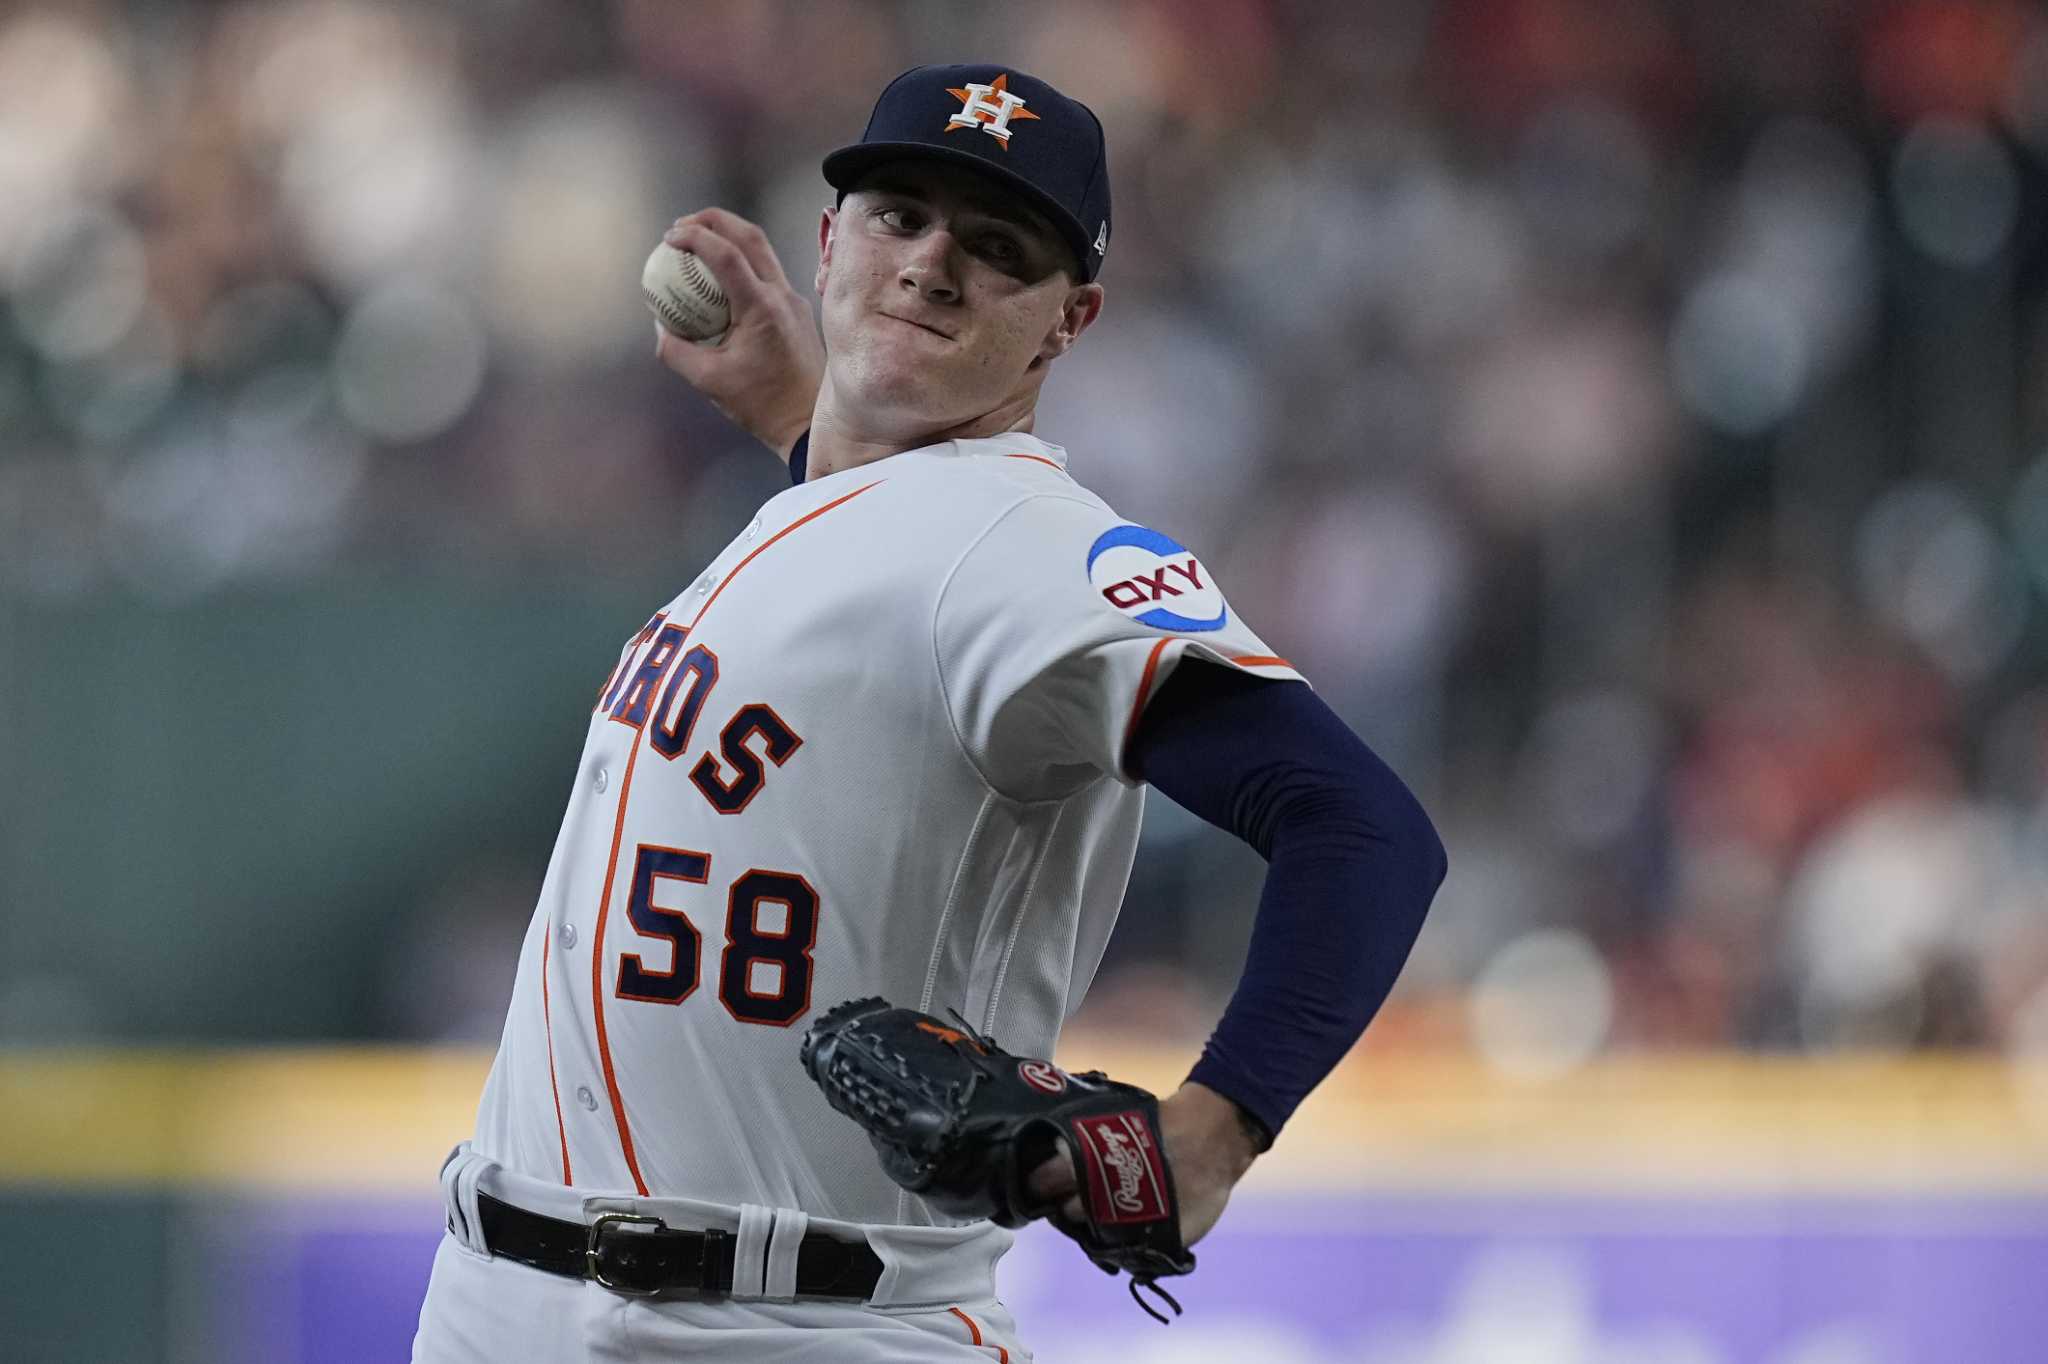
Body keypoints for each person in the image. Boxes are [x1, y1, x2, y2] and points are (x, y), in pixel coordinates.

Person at [412, 63, 1446, 1362]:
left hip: (797, 1321)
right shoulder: (843, 515)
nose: (933, 264)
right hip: (502, 1292)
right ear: (832, 239)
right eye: (901, 216)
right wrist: (804, 426)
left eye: (997, 249)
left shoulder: (1033, 541)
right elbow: (892, 570)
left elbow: (1362, 828)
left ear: (1069, 320)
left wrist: (1217, 1127)